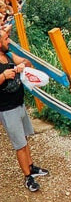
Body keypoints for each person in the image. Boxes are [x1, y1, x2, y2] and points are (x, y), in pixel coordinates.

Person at [0, 28, 48, 192]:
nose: (9, 41)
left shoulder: (8, 55)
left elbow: (27, 62)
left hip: (19, 104)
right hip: (7, 110)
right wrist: (3, 76)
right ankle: (28, 177)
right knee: (19, 144)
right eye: (6, 39)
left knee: (24, 139)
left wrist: (22, 65)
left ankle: (31, 167)